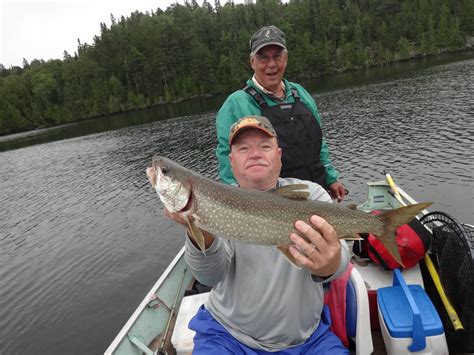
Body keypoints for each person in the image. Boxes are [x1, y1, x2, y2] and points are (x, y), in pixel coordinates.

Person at [165, 116, 350, 354]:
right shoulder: (215, 204)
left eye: (265, 146)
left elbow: (340, 264)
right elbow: (210, 276)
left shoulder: (312, 195)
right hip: (227, 336)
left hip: (307, 340)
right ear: (231, 161)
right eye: (244, 148)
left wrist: (330, 264)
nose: (255, 154)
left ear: (279, 156)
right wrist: (202, 230)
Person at [215, 25, 347, 202]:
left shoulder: (301, 94)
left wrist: (331, 178)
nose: (271, 65)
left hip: (317, 194)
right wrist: (239, 204)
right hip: (275, 203)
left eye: (277, 56)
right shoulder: (236, 104)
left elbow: (319, 143)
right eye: (263, 58)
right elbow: (227, 160)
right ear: (252, 62)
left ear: (286, 58)